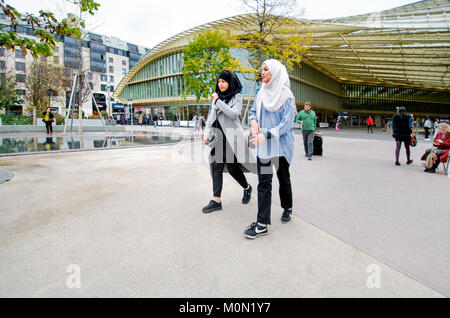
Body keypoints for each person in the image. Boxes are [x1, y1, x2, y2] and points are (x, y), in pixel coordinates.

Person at [245, 59, 296, 239]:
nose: (263, 72)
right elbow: (252, 112)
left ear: (275, 72)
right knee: (264, 183)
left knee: (284, 179)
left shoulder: (287, 96)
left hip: (281, 146)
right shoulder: (261, 93)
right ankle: (261, 224)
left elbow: (286, 125)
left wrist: (264, 134)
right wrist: (252, 122)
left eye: (266, 69)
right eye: (262, 69)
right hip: (264, 147)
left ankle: (287, 207)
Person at [202, 70, 253, 213]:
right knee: (216, 167)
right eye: (219, 81)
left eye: (223, 81)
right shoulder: (217, 98)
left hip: (232, 138)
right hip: (218, 138)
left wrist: (218, 101)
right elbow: (211, 116)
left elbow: (234, 113)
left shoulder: (236, 96)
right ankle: (216, 200)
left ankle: (247, 188)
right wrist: (206, 131)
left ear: (230, 82)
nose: (220, 84)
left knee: (233, 168)